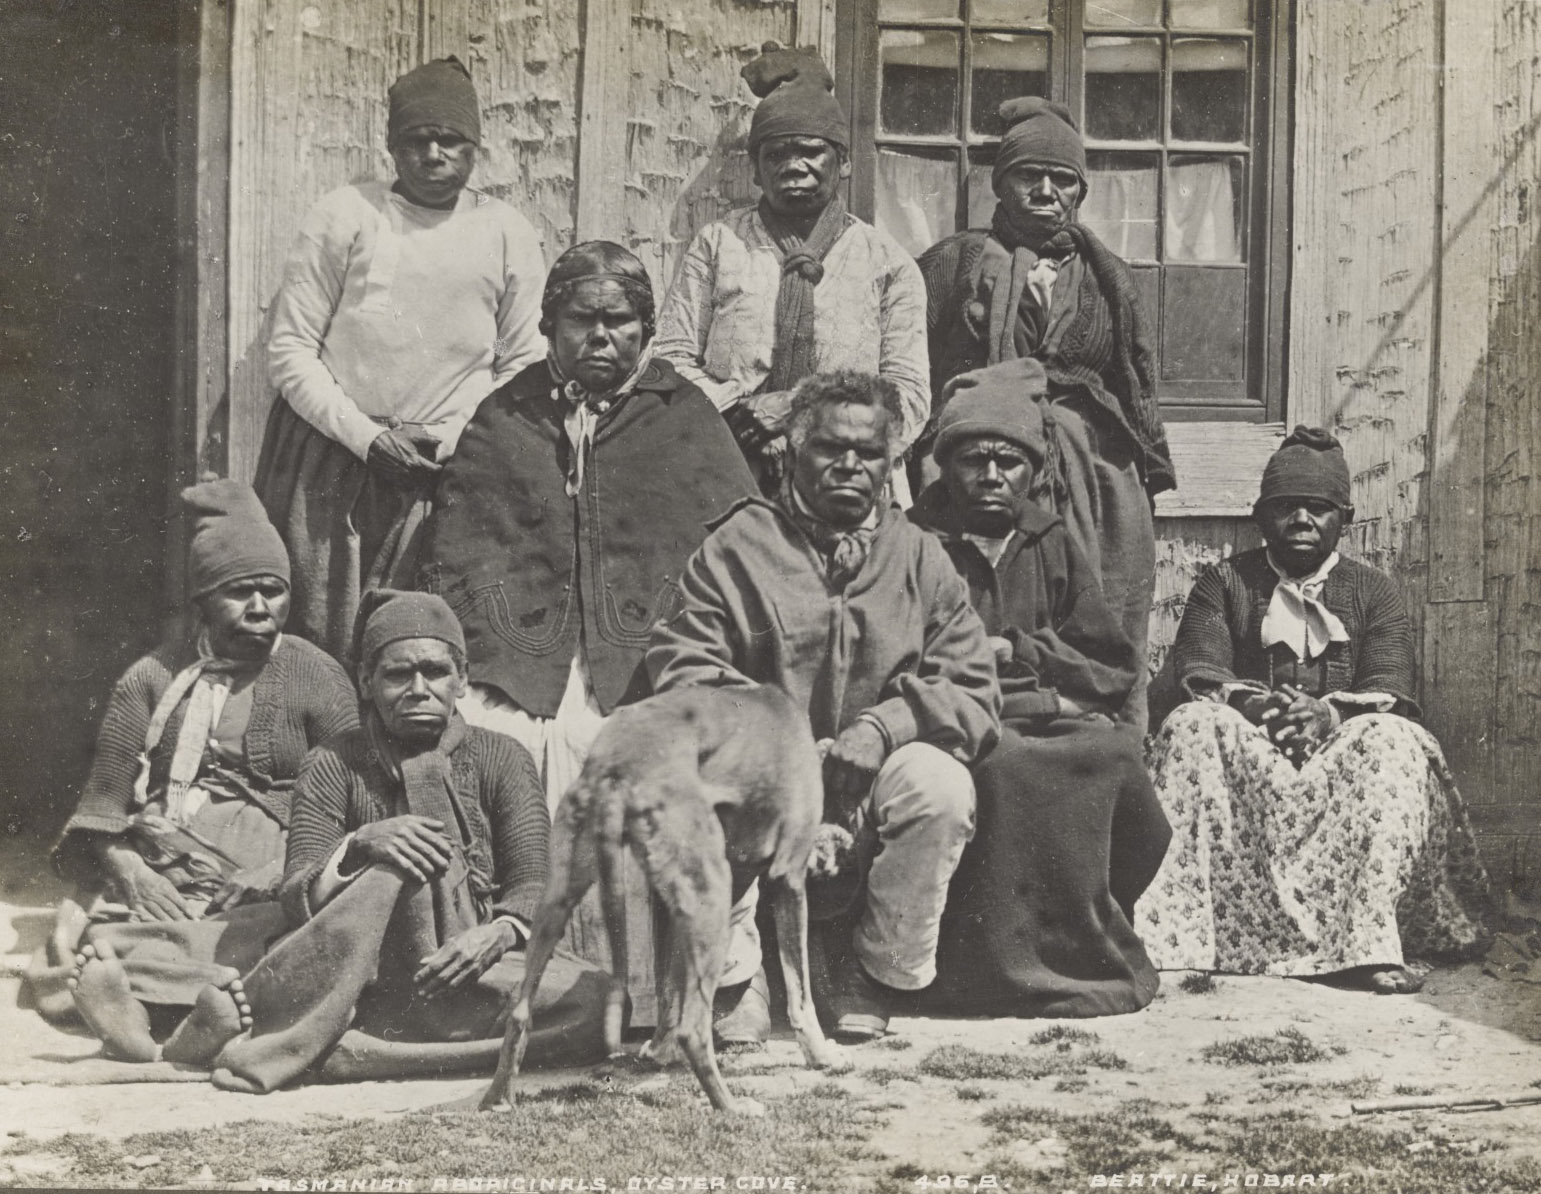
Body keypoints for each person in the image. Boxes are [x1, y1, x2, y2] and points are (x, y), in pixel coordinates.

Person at [647, 370, 1000, 1043]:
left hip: (867, 777)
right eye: (827, 449)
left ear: (889, 462)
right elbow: (682, 667)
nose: (848, 466)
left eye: (867, 453)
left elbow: (972, 682)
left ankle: (868, 969)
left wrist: (883, 726)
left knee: (941, 789)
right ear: (791, 450)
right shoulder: (736, 547)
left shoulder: (918, 555)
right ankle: (737, 976)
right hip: (762, 776)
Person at [167, 590, 609, 1092]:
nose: (418, 689)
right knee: (402, 860)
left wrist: (497, 935)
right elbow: (296, 889)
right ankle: (331, 1037)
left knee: (596, 1002)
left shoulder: (502, 758)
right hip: (363, 970)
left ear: (462, 681)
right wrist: (360, 845)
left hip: (469, 965)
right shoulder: (333, 762)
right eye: (398, 675)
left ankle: (350, 1050)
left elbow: (535, 881)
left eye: (436, 673)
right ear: (366, 682)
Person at [1136, 427, 1494, 993]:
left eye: (1318, 509)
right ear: (1261, 517)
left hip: (1339, 763)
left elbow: (1390, 685)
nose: (1301, 520)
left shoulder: (1375, 592)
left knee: (1392, 739)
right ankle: (1185, 938)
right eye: (1285, 508)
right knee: (1191, 726)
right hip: (1250, 762)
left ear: (1344, 519)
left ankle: (1369, 944)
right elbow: (1200, 668)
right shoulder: (1224, 582)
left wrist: (1328, 716)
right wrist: (1257, 706)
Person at [418, 241, 757, 811]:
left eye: (618, 320)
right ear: (550, 327)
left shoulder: (685, 414)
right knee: (492, 743)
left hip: (650, 654)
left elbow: (740, 548)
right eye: (581, 319)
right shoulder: (506, 414)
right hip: (518, 656)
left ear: (646, 330)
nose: (600, 336)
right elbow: (457, 552)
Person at [29, 480, 357, 1061]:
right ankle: (170, 1015)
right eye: (239, 592)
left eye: (273, 592)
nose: (261, 608)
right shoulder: (150, 678)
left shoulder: (318, 675)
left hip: (276, 872)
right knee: (91, 939)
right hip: (166, 871)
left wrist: (287, 865)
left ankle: (164, 1016)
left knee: (291, 934)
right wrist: (132, 873)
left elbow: (357, 803)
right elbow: (104, 806)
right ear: (203, 598)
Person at [257, 56, 547, 659]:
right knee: (321, 641)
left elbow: (523, 363)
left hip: (447, 469)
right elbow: (290, 351)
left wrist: (448, 441)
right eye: (417, 140)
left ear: (475, 149)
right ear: (391, 146)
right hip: (333, 463)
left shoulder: (503, 230)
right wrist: (365, 438)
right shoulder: (346, 216)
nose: (434, 153)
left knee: (420, 647)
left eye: (451, 140)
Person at [907, 361, 1171, 1017]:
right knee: (1004, 767)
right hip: (957, 724)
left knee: (1112, 758)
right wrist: (1044, 694)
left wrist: (1019, 650)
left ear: (1033, 470)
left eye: (1009, 462)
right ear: (945, 465)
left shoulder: (1048, 539)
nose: (992, 476)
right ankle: (986, 971)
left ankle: (1083, 955)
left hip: (1042, 714)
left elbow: (1109, 663)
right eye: (973, 459)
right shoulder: (914, 541)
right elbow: (902, 661)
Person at [917, 96, 1175, 731]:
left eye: (1062, 179)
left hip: (1089, 470)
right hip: (984, 459)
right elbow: (914, 365)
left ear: (1079, 192)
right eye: (1028, 176)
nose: (1045, 190)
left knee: (1095, 609)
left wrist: (1140, 466)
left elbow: (1134, 378)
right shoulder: (955, 263)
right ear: (1001, 184)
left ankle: (1106, 746)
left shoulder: (1105, 273)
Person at [653, 46, 929, 502]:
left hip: (849, 478)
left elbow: (910, 397)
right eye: (776, 153)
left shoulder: (888, 263)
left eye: (811, 152)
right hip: (728, 461)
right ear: (757, 171)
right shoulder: (719, 243)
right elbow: (670, 360)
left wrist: (806, 416)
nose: (794, 165)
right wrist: (742, 413)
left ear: (843, 163)